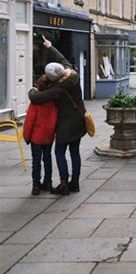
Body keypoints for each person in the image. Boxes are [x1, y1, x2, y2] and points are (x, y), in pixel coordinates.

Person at [28, 37, 86, 195]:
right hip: (80, 120)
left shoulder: (57, 89)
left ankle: (63, 183)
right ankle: (75, 183)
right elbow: (62, 59)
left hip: (65, 125)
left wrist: (31, 89)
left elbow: (35, 98)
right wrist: (50, 47)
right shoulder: (72, 73)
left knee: (60, 152)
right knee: (75, 152)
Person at [23, 75, 58, 195]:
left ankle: (36, 185)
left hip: (36, 137)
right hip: (48, 136)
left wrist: (26, 137)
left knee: (36, 162)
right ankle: (48, 182)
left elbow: (29, 121)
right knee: (47, 159)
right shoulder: (53, 102)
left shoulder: (35, 102)